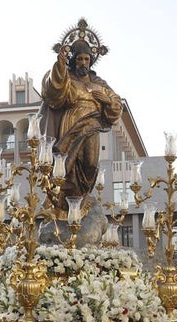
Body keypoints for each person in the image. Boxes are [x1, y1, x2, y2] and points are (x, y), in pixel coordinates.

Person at [40, 33, 123, 203]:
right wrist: (60, 66)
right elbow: (54, 90)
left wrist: (107, 101)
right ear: (74, 60)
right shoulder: (68, 79)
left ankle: (82, 196)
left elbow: (116, 102)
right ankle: (68, 198)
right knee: (70, 162)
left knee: (90, 164)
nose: (83, 62)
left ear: (91, 61)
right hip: (71, 124)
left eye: (86, 59)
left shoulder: (99, 83)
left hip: (92, 125)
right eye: (79, 59)